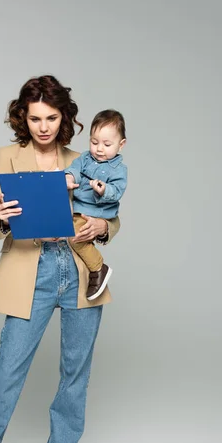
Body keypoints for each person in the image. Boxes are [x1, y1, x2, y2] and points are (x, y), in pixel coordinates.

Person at [0, 75, 120, 443]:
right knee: (7, 372)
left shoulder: (85, 159)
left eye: (51, 117)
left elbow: (110, 214)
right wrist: (3, 218)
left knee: (74, 378)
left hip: (79, 268)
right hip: (32, 266)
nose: (42, 126)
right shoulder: (7, 157)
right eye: (34, 118)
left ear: (64, 118)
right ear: (22, 120)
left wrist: (104, 227)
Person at [65, 109, 127, 300]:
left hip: (97, 211)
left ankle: (98, 268)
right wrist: (69, 176)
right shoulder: (85, 158)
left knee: (75, 237)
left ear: (121, 144)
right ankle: (97, 268)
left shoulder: (119, 170)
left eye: (107, 144)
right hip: (79, 209)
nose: (99, 149)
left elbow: (117, 191)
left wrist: (103, 190)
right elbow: (75, 167)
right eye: (94, 142)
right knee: (72, 233)